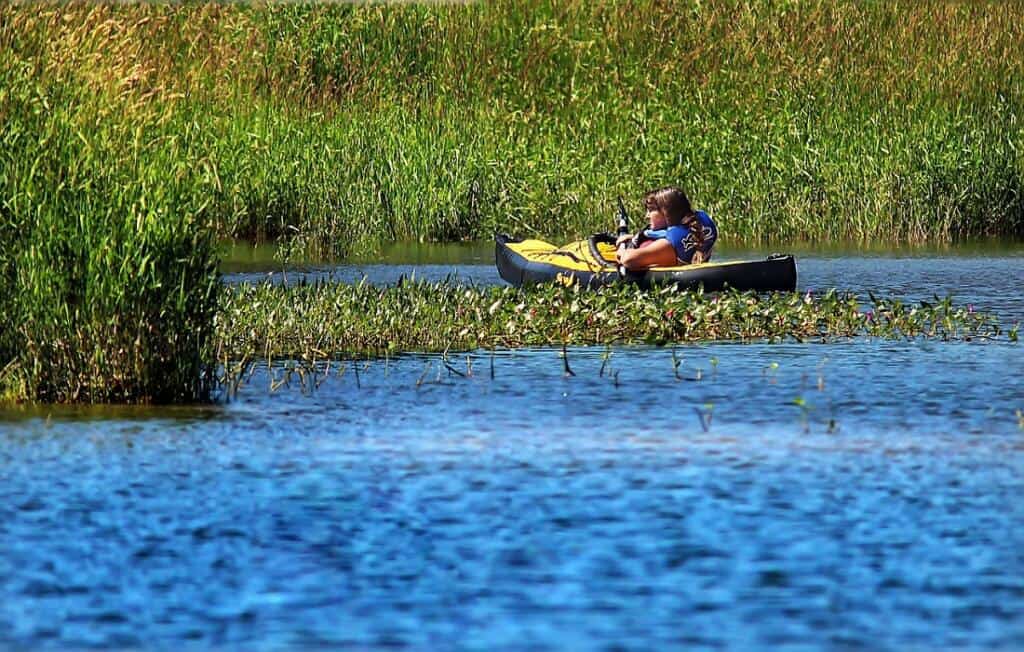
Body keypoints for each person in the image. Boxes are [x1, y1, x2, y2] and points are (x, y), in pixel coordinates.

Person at [616, 186, 717, 271]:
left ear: (666, 213)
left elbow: (628, 260)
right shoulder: (701, 222)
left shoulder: (667, 244)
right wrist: (634, 237)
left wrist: (622, 250)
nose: (647, 216)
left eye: (651, 210)